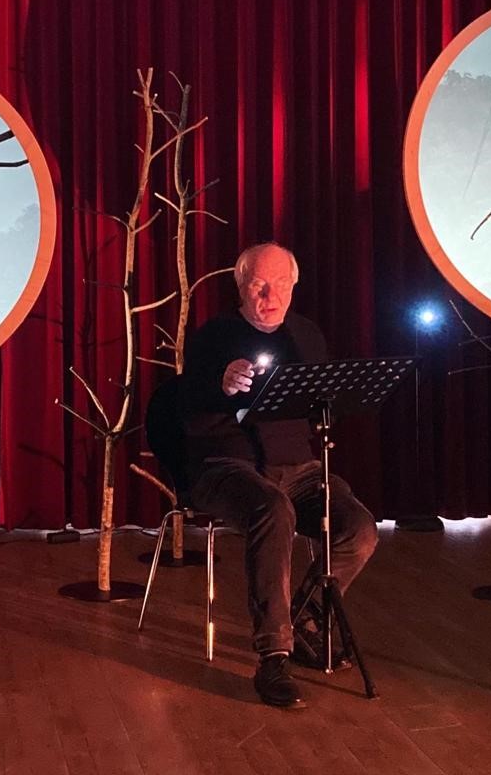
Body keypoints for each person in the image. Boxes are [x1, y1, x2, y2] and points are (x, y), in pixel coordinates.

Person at [178, 242, 378, 709]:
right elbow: (190, 403)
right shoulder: (212, 337)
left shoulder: (306, 335)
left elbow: (321, 408)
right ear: (240, 286)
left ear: (294, 286)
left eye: (281, 285)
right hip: (227, 467)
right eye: (258, 285)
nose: (270, 296)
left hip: (299, 467)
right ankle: (274, 657)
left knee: (359, 529)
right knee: (274, 509)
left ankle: (301, 622)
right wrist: (221, 383)